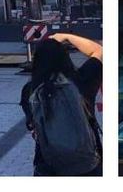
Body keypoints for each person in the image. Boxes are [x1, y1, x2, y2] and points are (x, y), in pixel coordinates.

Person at [19, 32, 103, 176]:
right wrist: (66, 37)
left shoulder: (30, 90)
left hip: (48, 165)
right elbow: (99, 51)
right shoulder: (82, 80)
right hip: (87, 164)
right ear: (65, 58)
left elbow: (33, 126)